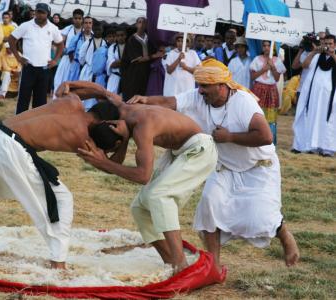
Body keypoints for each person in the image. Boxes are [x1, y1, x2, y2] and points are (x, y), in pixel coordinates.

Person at [128, 58, 300, 272]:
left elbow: (265, 136)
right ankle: (213, 266)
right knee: (209, 207)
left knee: (260, 217)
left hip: (258, 167)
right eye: (199, 85)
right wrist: (146, 100)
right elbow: (169, 102)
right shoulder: (197, 97)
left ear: (221, 86)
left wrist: (230, 136)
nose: (200, 91)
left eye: (205, 86)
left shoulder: (244, 102)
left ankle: (283, 233)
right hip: (224, 167)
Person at [0, 94, 121, 270]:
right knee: (61, 199)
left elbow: (71, 87)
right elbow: (110, 166)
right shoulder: (83, 138)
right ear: (103, 123)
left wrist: (103, 92)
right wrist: (126, 137)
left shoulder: (72, 101)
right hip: (7, 147)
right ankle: (58, 263)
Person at [57, 80, 218, 274]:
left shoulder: (143, 125)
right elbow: (96, 90)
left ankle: (180, 264)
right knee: (139, 207)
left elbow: (143, 175)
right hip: (179, 151)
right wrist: (68, 85)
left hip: (200, 148)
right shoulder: (120, 106)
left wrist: (103, 162)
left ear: (112, 124)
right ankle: (170, 260)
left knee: (159, 196)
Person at [9, 2, 63, 113]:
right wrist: (18, 57)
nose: (39, 14)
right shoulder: (26, 25)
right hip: (29, 67)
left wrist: (55, 60)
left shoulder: (53, 28)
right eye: (37, 12)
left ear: (48, 14)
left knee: (40, 101)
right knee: (23, 98)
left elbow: (60, 44)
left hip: (44, 69)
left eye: (42, 12)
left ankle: (36, 125)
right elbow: (11, 39)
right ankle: (19, 124)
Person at [292, 34, 336, 157]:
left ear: (335, 45)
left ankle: (327, 148)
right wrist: (313, 52)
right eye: (325, 43)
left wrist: (332, 54)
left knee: (328, 120)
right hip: (314, 95)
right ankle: (311, 145)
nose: (327, 46)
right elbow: (304, 65)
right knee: (312, 118)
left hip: (330, 97)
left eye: (330, 44)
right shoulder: (317, 56)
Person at [250, 40, 286, 145]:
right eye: (264, 45)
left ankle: (270, 141)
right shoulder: (257, 59)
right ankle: (255, 140)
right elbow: (253, 76)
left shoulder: (277, 60)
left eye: (268, 46)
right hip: (258, 89)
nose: (266, 48)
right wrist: (264, 69)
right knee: (257, 114)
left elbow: (276, 78)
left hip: (271, 90)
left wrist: (273, 67)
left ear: (273, 48)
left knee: (270, 118)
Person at [120, 17, 155, 101]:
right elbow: (138, 59)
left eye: (144, 22)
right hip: (134, 73)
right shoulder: (131, 40)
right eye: (139, 22)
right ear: (136, 24)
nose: (142, 24)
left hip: (147, 72)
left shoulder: (150, 39)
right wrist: (154, 56)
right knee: (132, 97)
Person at [53, 8, 83, 92]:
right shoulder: (68, 29)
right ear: (73, 19)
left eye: (79, 18)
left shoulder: (86, 31)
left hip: (78, 61)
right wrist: (65, 50)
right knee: (60, 81)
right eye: (75, 18)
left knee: (74, 85)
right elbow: (59, 41)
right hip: (66, 59)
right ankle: (57, 102)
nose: (77, 20)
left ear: (82, 19)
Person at [66, 16, 92, 82]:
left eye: (90, 23)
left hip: (88, 67)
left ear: (92, 24)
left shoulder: (94, 38)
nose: (88, 25)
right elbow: (70, 50)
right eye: (86, 23)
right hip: (76, 65)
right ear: (83, 24)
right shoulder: (77, 37)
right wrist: (73, 63)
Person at [106, 26, 126, 94]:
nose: (120, 37)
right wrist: (126, 61)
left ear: (125, 36)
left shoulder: (130, 46)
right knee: (111, 100)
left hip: (126, 78)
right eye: (118, 35)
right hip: (114, 78)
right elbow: (112, 64)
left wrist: (118, 62)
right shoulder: (112, 47)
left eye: (122, 35)